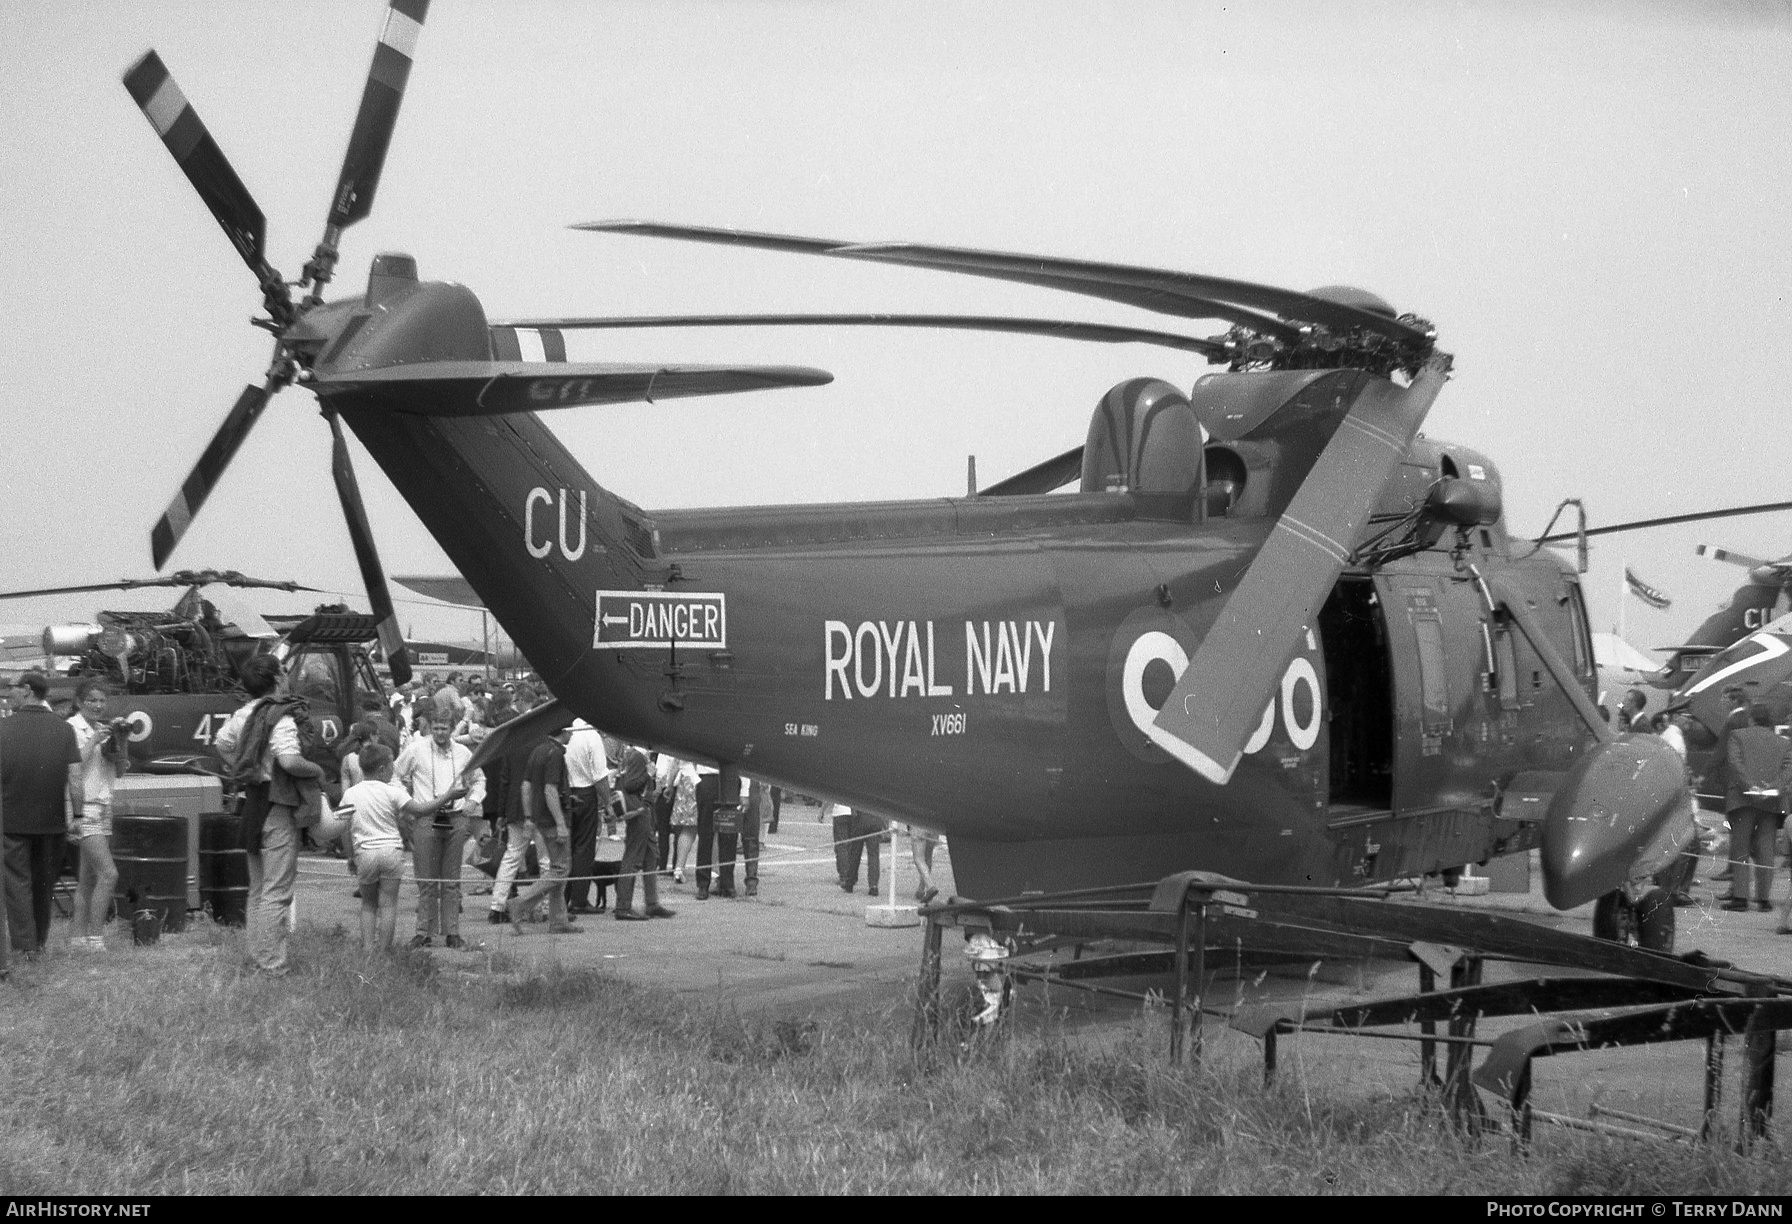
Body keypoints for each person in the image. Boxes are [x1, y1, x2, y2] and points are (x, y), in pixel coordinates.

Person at [215, 655, 325, 975]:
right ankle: (272, 964)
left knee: (258, 888)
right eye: (285, 672)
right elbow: (290, 762)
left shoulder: (242, 714)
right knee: (277, 891)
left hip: (252, 802)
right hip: (277, 804)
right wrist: (316, 770)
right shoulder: (281, 716)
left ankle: (258, 955)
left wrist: (243, 763)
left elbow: (222, 745)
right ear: (278, 679)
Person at [332, 743, 466, 952]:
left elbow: (342, 828)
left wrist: (350, 856)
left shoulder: (350, 794)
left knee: (368, 905)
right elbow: (420, 810)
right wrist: (447, 796)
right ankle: (384, 951)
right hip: (391, 852)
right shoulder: (393, 792)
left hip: (365, 853)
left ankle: (368, 949)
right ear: (383, 769)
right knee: (388, 905)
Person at [2, 672, 82, 959]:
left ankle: (25, 947)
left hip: (11, 822)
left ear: (26, 690)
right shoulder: (64, 730)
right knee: (43, 884)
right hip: (53, 823)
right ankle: (40, 941)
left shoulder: (3, 728)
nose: (8, 694)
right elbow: (75, 777)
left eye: (12, 688)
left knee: (17, 884)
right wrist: (79, 814)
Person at [394, 715, 486, 948]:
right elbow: (394, 774)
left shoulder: (464, 752)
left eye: (444, 728)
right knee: (425, 878)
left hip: (455, 818)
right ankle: (424, 931)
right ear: (429, 728)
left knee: (451, 879)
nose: (440, 733)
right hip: (426, 815)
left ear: (451, 728)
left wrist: (473, 801)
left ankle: (452, 932)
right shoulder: (416, 750)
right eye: (436, 728)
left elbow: (479, 779)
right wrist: (406, 801)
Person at [506, 726, 582, 936]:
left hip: (540, 818)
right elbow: (550, 789)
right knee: (560, 869)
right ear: (564, 731)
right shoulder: (556, 753)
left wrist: (530, 816)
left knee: (557, 868)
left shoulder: (539, 749)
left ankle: (558, 920)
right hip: (552, 819)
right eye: (571, 730)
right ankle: (521, 902)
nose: (573, 734)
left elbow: (526, 785)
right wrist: (560, 822)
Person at [68, 679, 126, 950]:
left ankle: (78, 939)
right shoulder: (72, 727)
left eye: (102, 700)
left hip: (104, 805)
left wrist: (120, 741)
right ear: (79, 702)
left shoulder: (104, 729)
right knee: (109, 874)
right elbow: (73, 763)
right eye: (92, 700)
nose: (98, 705)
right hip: (84, 806)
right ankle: (95, 938)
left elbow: (120, 771)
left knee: (88, 878)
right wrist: (93, 740)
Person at [1721, 704, 1790, 913]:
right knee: (1766, 848)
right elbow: (1789, 767)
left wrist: (1749, 785)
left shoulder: (1737, 736)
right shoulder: (1783, 743)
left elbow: (1735, 763)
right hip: (1770, 802)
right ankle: (1763, 899)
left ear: (1750, 718)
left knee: (1740, 847)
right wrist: (1772, 786)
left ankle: (1740, 897)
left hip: (1742, 800)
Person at [610, 738, 674, 921]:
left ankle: (652, 903)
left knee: (650, 857)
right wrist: (648, 774)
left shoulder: (634, 755)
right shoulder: (638, 757)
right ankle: (623, 907)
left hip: (643, 810)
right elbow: (630, 784)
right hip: (639, 810)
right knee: (633, 859)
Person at [563, 719, 610, 914]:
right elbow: (599, 776)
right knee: (584, 848)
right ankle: (579, 898)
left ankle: (564, 897)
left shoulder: (566, 733)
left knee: (568, 848)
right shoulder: (591, 736)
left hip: (566, 793)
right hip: (585, 793)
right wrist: (608, 803)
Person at [713, 775, 762, 899]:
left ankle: (751, 882)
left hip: (749, 780)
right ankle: (726, 881)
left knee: (750, 836)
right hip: (731, 780)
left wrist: (744, 792)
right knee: (727, 835)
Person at [839, 807, 886, 895]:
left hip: (860, 819)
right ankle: (873, 885)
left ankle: (850, 882)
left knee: (855, 853)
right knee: (873, 855)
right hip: (875, 820)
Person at [906, 822, 941, 904]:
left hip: (918, 826)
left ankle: (930, 886)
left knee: (919, 858)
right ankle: (921, 889)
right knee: (928, 858)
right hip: (934, 826)